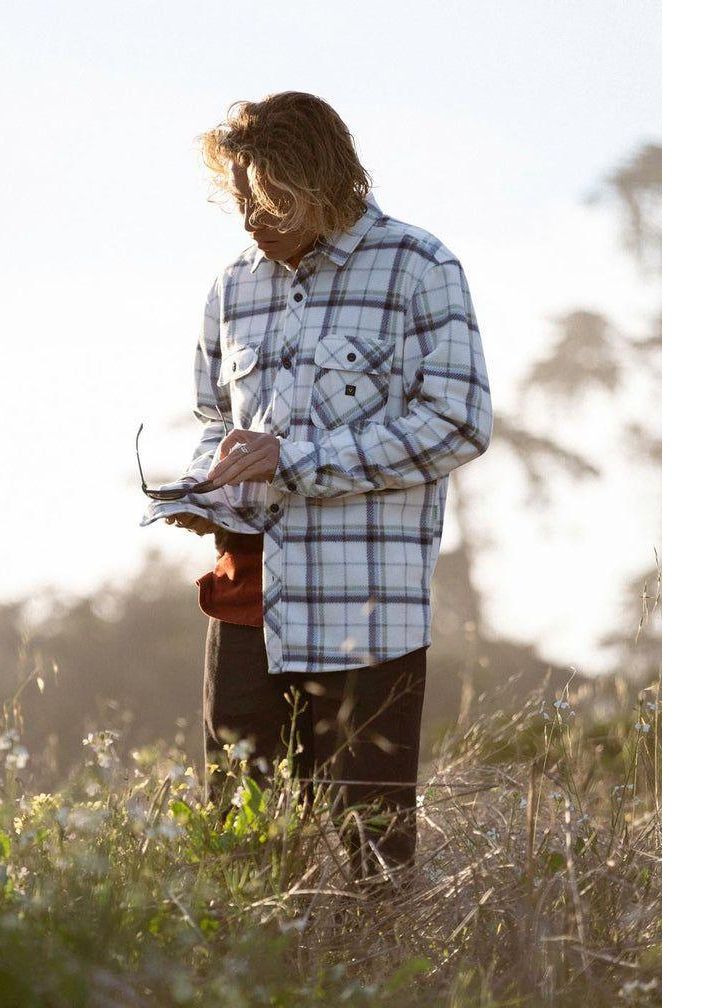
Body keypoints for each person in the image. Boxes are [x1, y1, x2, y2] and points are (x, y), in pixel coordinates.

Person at [142, 91, 492, 888]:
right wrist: (203, 490)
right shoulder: (232, 286)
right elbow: (215, 421)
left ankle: (375, 956)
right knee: (237, 852)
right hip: (246, 604)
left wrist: (294, 461)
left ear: (324, 183)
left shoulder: (420, 268)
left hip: (365, 614)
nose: (248, 220)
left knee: (374, 858)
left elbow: (459, 422)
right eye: (238, 197)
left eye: (268, 200)